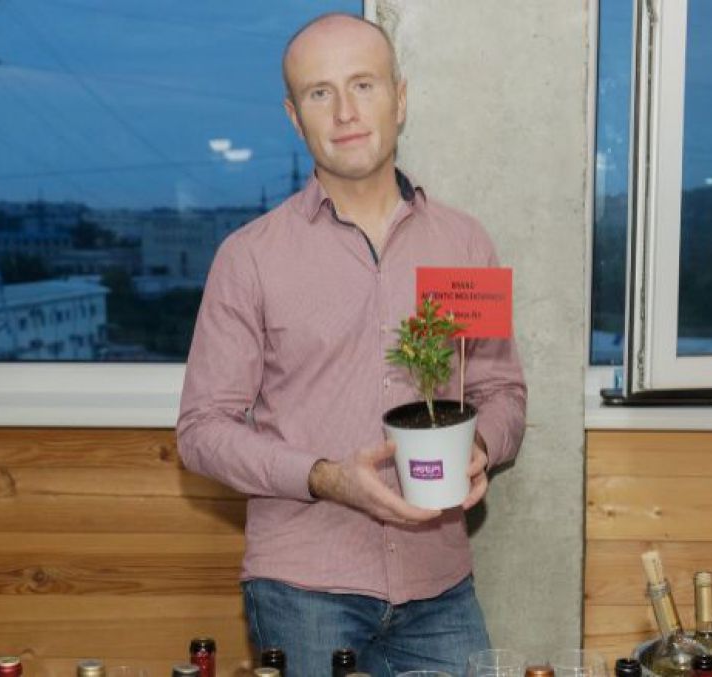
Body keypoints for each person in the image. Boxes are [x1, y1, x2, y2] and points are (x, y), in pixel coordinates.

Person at [176, 12, 527, 677]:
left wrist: (481, 447)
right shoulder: (249, 257)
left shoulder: (464, 243)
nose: (344, 111)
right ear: (294, 116)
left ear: (401, 97)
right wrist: (325, 476)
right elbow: (201, 431)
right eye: (320, 92)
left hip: (440, 586)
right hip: (303, 589)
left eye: (363, 85)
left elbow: (500, 389)